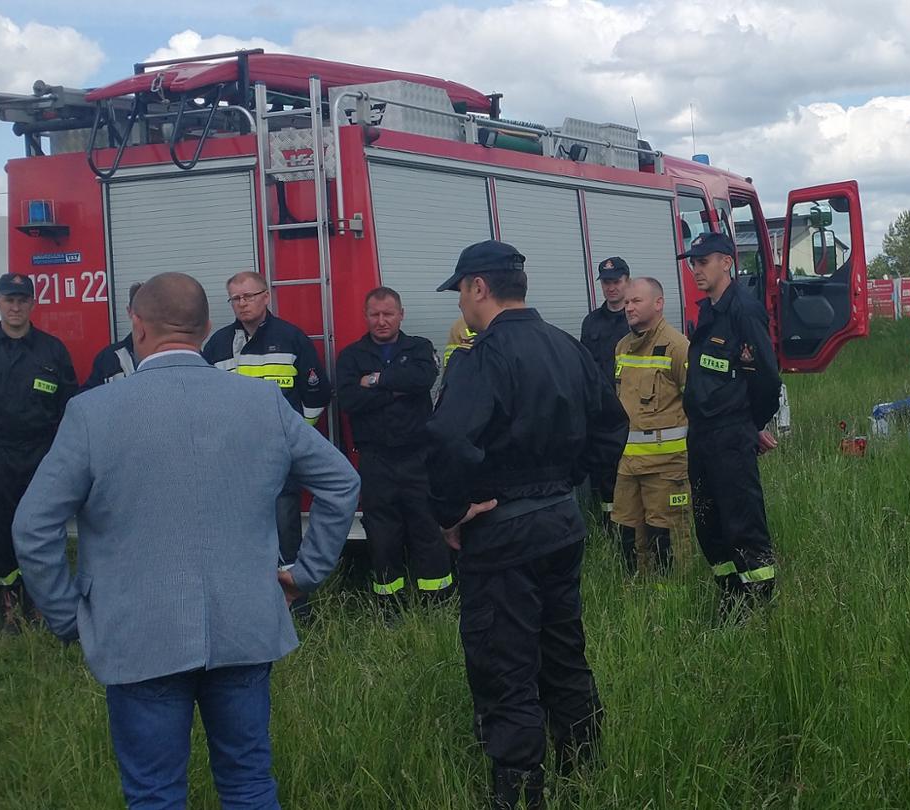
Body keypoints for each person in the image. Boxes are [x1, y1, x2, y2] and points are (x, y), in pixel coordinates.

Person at [12, 272, 360, 810]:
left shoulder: (92, 413)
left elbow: (33, 527)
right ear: (206, 328)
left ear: (137, 325)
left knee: (154, 794)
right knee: (247, 782)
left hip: (136, 630)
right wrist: (304, 573)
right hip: (243, 623)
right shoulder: (263, 402)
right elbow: (342, 482)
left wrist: (68, 616)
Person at [427, 241, 627, 809]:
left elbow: (445, 440)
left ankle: (519, 791)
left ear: (479, 288)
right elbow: (612, 424)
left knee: (505, 662)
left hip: (502, 529)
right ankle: (584, 767)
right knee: (564, 648)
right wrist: (575, 482)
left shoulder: (481, 357)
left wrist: (451, 512)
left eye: (461, 291)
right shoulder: (567, 347)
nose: (461, 304)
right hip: (562, 520)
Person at [0, 273, 79, 633]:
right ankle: (8, 606)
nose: (15, 306)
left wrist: (68, 456)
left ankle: (39, 601)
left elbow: (70, 407)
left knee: (42, 528)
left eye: (22, 299)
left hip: (43, 453)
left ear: (33, 304)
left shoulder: (52, 350)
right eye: (9, 299)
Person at [203, 271, 332, 585]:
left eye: (249, 296)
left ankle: (295, 601)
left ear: (266, 296)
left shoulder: (291, 338)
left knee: (285, 529)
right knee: (239, 531)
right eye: (236, 298)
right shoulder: (218, 344)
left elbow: (316, 393)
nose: (242, 304)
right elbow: (203, 398)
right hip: (233, 458)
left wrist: (296, 437)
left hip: (278, 456)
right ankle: (249, 592)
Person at [677, 233, 782, 616]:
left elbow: (767, 380)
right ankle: (731, 596)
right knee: (709, 522)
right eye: (692, 262)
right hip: (703, 436)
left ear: (726, 262)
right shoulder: (709, 311)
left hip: (730, 434)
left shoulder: (744, 309)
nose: (696, 269)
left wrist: (750, 424)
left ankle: (759, 603)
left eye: (703, 261)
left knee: (742, 521)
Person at [333, 287, 451, 610]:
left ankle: (437, 601)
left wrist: (372, 381)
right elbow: (349, 400)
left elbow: (421, 379)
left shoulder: (419, 347)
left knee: (427, 528)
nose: (382, 321)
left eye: (388, 314)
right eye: (375, 314)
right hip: (375, 460)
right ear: (365, 316)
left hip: (418, 456)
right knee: (382, 536)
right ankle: (390, 607)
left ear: (402, 314)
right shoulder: (351, 356)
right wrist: (395, 389)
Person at [608, 278, 691, 575]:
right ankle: (636, 595)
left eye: (636, 301)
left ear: (658, 303)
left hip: (666, 468)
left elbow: (696, 404)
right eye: (627, 302)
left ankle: (669, 596)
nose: (628, 307)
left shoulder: (677, 347)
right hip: (628, 466)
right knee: (627, 534)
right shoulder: (622, 347)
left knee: (665, 537)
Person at [578, 258, 633, 522]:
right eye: (606, 282)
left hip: (630, 408)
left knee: (629, 469)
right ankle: (608, 525)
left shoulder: (636, 319)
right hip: (600, 410)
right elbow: (585, 366)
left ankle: (630, 521)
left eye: (616, 282)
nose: (611, 288)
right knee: (604, 472)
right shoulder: (591, 322)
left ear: (627, 282)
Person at [84, 283, 146, 390]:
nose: (145, 314)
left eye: (150, 308)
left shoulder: (171, 354)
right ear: (129, 311)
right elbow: (87, 400)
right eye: (139, 309)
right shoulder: (108, 358)